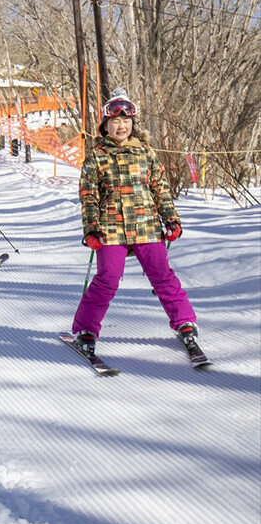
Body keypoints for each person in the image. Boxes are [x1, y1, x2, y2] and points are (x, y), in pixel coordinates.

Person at [70, 89, 200, 356]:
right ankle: (86, 329)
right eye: (115, 121)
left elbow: (160, 189)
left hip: (146, 225)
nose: (121, 125)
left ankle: (184, 323)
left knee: (162, 276)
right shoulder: (96, 156)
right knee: (107, 279)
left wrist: (171, 219)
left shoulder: (147, 153)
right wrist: (91, 228)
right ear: (105, 126)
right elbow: (89, 195)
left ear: (133, 123)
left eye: (126, 121)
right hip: (110, 227)